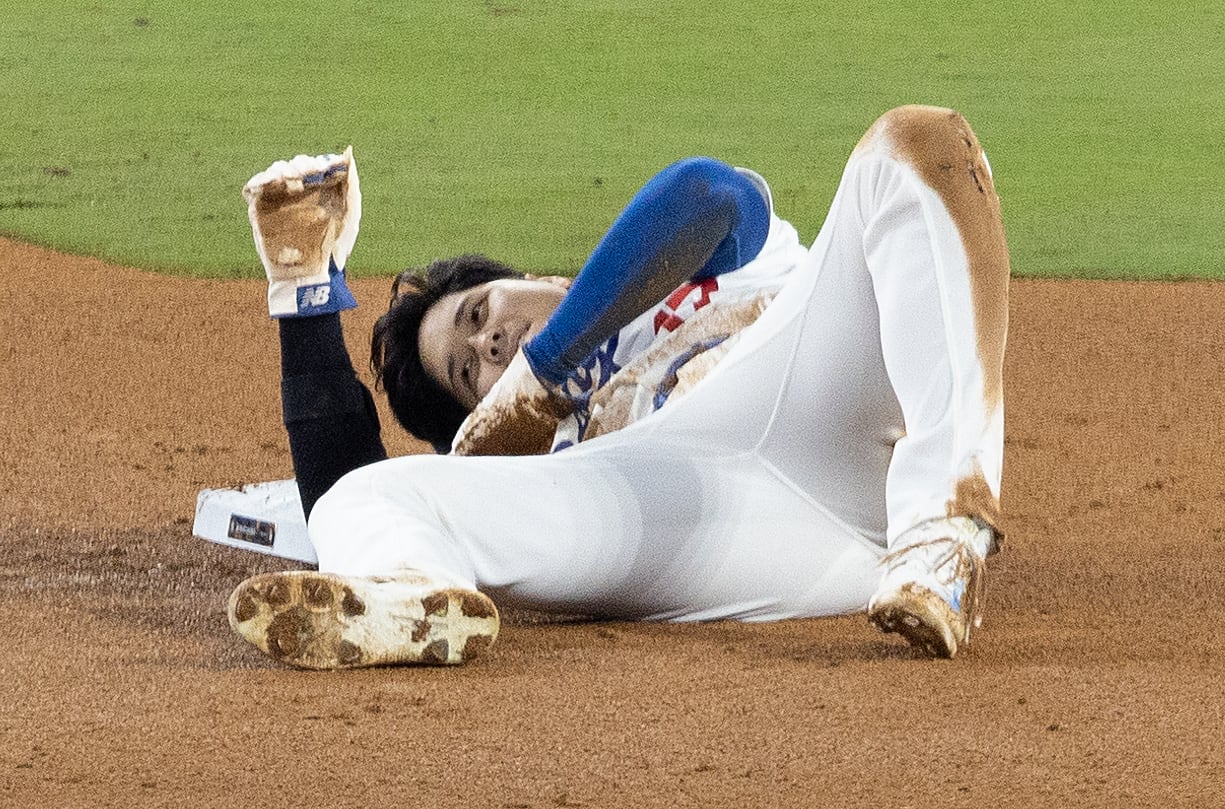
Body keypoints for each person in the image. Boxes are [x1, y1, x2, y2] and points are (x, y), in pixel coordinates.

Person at [227, 105, 1010, 669]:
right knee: (362, 505)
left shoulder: (705, 257)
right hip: (708, 518)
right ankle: (407, 599)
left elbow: (703, 194)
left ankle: (943, 533)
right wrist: (302, 292)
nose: (488, 340)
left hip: (825, 402)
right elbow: (345, 491)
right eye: (470, 372)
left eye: (478, 312)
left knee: (911, 145)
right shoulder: (529, 446)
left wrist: (544, 367)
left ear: (530, 278)